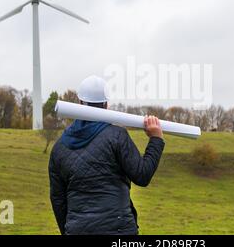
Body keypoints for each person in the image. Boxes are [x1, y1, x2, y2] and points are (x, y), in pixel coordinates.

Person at [48, 75, 165, 235]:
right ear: (106, 104)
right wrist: (156, 139)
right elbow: (142, 175)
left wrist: (69, 230)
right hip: (119, 230)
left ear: (80, 102)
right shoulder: (117, 136)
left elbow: (58, 199)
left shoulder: (59, 147)